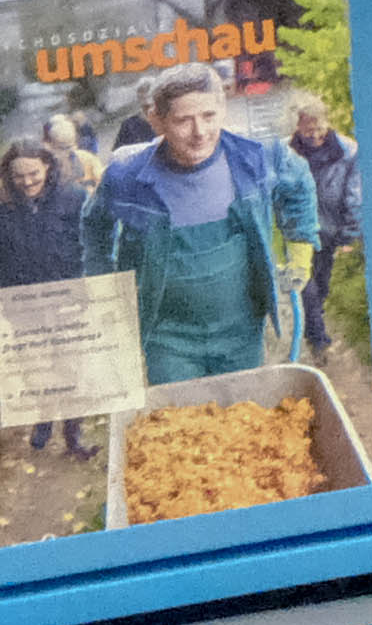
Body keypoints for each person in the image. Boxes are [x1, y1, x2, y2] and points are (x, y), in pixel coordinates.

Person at [93, 65, 321, 386]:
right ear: (156, 120)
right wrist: (103, 285)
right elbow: (93, 225)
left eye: (209, 116)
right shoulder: (126, 177)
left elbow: (298, 186)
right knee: (181, 413)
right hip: (167, 337)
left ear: (223, 109)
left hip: (243, 329)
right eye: (183, 120)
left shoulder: (259, 157)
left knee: (242, 409)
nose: (200, 132)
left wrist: (300, 252)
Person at [0, 142, 97, 455]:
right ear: (7, 175)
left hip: (68, 300)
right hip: (21, 305)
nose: (27, 182)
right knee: (37, 367)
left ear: (48, 166)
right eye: (18, 176)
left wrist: (96, 282)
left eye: (33, 173)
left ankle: (74, 436)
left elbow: (96, 241)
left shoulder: (75, 198)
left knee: (71, 367)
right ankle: (43, 422)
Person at [273, 92, 364, 359]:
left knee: (321, 286)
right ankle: (319, 341)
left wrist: (349, 235)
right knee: (306, 287)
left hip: (330, 231)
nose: (314, 134)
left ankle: (315, 327)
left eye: (318, 127)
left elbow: (354, 195)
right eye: (308, 129)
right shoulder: (285, 154)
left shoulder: (347, 151)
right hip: (297, 232)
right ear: (297, 127)